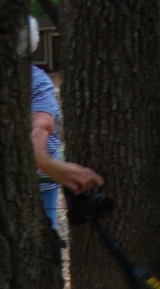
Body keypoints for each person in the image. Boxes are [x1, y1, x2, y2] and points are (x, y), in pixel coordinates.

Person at [28, 21, 103, 228]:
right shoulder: (33, 78)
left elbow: (41, 127)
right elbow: (41, 127)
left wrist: (37, 168)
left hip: (40, 184)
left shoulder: (35, 79)